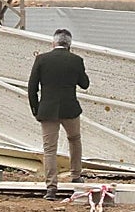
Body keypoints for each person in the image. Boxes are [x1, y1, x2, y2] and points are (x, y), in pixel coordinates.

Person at [28, 29, 91, 201]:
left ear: (53, 43)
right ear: (69, 45)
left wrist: (36, 109)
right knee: (74, 139)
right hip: (70, 109)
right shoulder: (76, 60)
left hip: (47, 110)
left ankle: (51, 187)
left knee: (49, 149)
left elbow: (32, 87)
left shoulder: (41, 59)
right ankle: (76, 175)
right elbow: (85, 84)